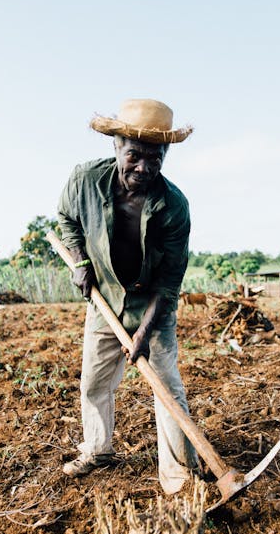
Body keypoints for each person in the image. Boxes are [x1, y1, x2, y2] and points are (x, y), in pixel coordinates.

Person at [57, 99, 199, 494]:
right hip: (105, 297)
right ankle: (98, 450)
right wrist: (80, 261)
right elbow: (66, 218)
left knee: (167, 387)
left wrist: (144, 333)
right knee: (94, 381)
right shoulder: (84, 181)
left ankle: (178, 476)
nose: (143, 168)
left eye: (155, 159)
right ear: (116, 147)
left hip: (152, 303)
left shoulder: (174, 207)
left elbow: (169, 282)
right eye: (134, 155)